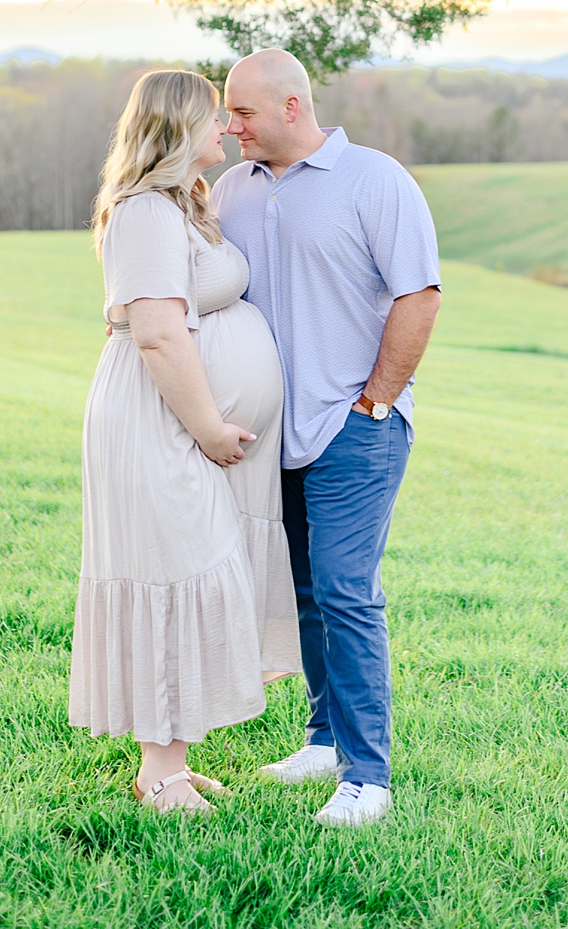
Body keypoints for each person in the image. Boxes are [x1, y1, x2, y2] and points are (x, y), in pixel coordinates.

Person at [213, 49, 443, 829]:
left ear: (290, 106)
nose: (229, 125)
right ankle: (321, 737)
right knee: (304, 589)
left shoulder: (375, 179)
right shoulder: (231, 191)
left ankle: (368, 776)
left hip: (355, 424)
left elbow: (419, 293)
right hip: (268, 433)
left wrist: (375, 400)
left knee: (346, 589)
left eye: (241, 111)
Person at [69, 68, 300, 813]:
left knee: (189, 577)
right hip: (156, 423)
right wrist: (208, 426)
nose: (228, 128)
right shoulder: (142, 211)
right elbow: (161, 334)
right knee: (171, 577)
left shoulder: (183, 206)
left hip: (178, 425)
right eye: (213, 117)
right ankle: (160, 775)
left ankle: (168, 761)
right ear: (176, 128)